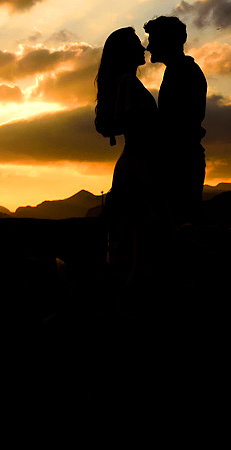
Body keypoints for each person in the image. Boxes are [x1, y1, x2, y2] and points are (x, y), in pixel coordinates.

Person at [94, 27, 158, 275]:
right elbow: (135, 122)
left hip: (131, 164)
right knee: (141, 250)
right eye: (136, 44)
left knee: (133, 248)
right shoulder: (128, 83)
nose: (142, 48)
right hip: (140, 166)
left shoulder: (122, 84)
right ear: (124, 52)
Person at [143, 16, 206, 228]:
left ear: (168, 41)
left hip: (181, 163)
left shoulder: (183, 73)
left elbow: (177, 125)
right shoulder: (178, 71)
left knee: (178, 228)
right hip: (182, 160)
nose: (149, 46)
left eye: (153, 40)